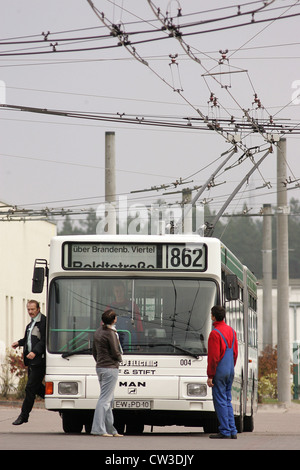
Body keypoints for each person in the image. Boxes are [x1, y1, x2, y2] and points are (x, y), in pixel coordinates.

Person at [11, 300, 46, 425]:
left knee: (30, 388)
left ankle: (24, 416)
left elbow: (44, 341)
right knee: (36, 388)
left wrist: (35, 352)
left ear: (38, 308)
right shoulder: (30, 324)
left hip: (39, 360)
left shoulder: (44, 322)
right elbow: (28, 339)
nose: (30, 312)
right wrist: (19, 343)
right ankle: (53, 398)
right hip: (31, 361)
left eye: (32, 309)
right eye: (28, 310)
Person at [207, 305, 238, 439]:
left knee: (219, 400)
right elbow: (235, 353)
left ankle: (225, 431)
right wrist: (231, 367)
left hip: (220, 370)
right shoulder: (231, 331)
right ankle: (233, 430)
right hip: (230, 369)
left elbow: (213, 357)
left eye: (211, 314)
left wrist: (210, 375)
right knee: (227, 400)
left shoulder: (215, 333)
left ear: (213, 316)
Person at [91, 309, 123, 437]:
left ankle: (111, 429)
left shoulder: (98, 332)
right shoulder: (111, 333)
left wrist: (99, 361)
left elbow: (94, 351)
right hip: (110, 368)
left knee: (109, 399)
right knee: (105, 400)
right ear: (114, 320)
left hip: (100, 367)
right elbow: (116, 351)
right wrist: (120, 359)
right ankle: (98, 429)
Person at [109, 281, 143, 351]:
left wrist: (139, 343)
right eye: (117, 291)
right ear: (113, 292)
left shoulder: (133, 306)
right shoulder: (109, 308)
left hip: (131, 343)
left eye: (121, 291)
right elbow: (103, 325)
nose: (119, 293)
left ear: (124, 291)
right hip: (113, 343)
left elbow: (139, 325)